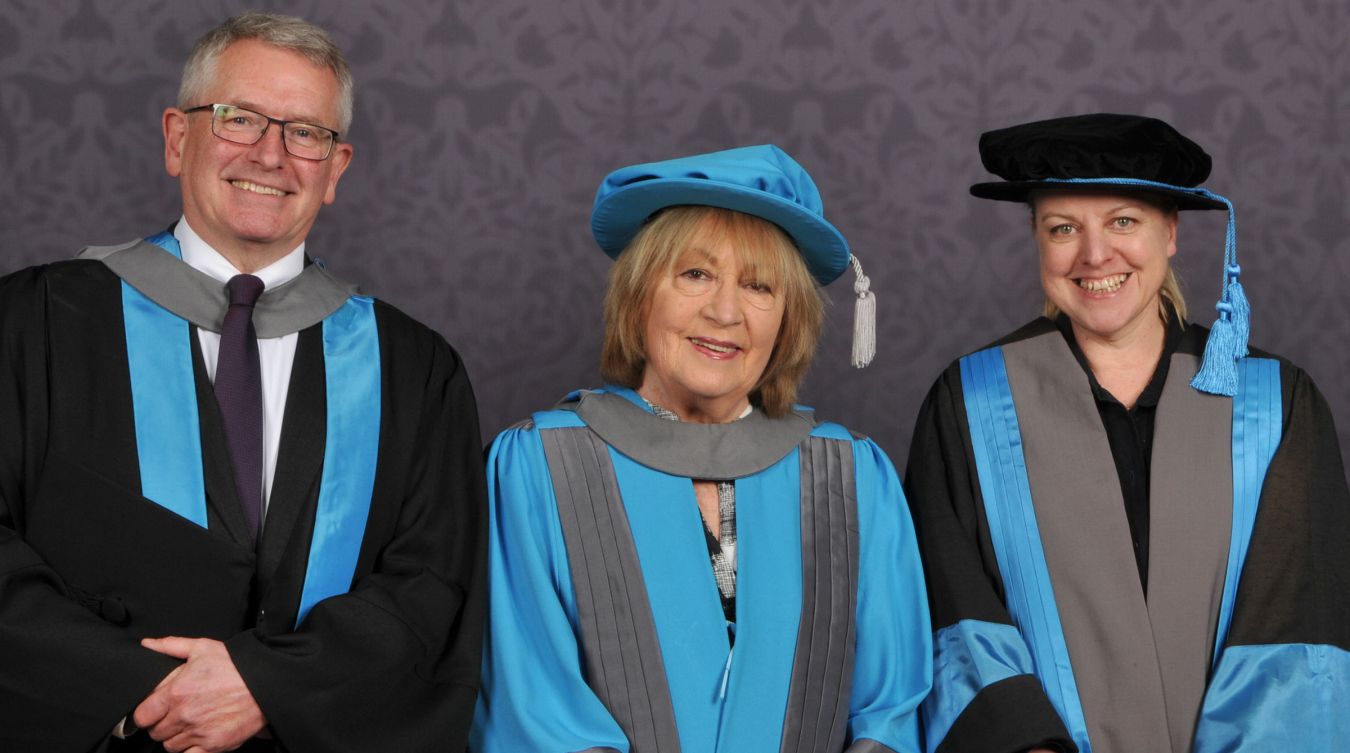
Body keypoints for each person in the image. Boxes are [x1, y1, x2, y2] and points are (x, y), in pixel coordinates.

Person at [0, 12, 486, 753]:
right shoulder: (32, 323)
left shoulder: (416, 370)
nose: (271, 154)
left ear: (336, 169)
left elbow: (431, 586)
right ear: (177, 137)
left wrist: (268, 687)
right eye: (239, 118)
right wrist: (143, 692)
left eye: (306, 133)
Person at [906, 112, 1350, 753]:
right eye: (1063, 228)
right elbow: (952, 614)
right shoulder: (971, 401)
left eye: (1123, 221)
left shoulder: (1276, 403)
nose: (1094, 255)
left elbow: (1299, 626)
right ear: (1036, 237)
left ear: (1170, 232)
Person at [470, 144, 931, 752]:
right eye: (695, 274)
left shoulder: (848, 477)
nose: (724, 311)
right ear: (639, 296)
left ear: (786, 320)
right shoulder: (540, 468)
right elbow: (529, 702)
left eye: (759, 286)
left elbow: (891, 708)